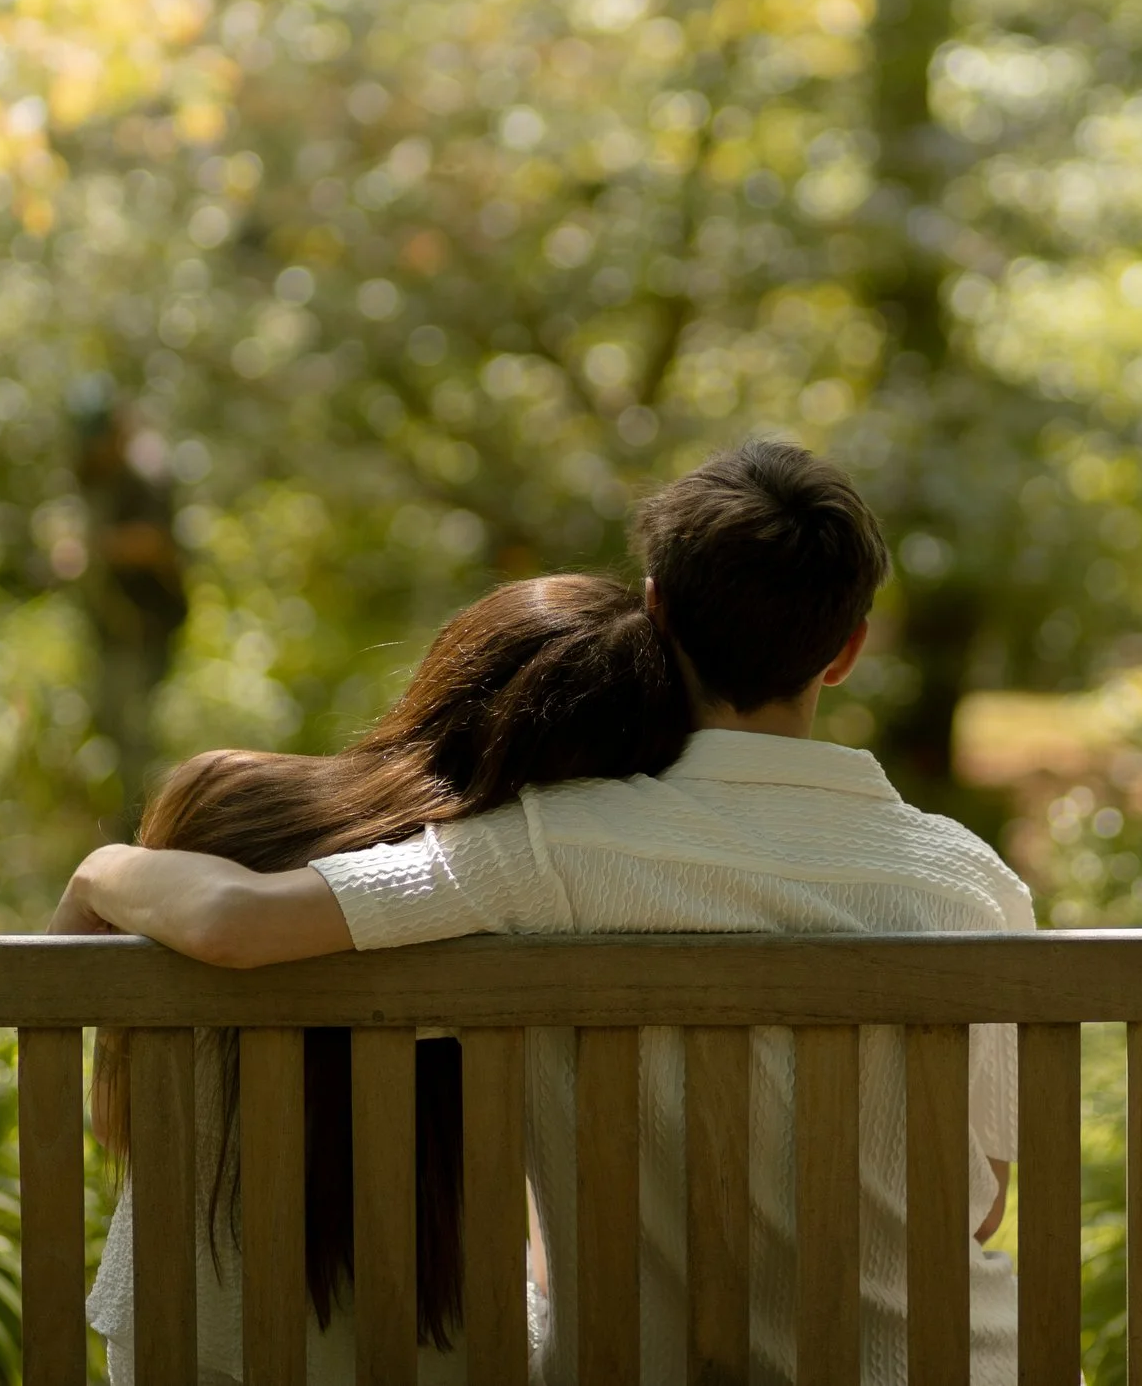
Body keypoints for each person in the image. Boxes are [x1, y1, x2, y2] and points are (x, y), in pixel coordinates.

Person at [57, 439, 1035, 1386]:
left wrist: (105, 864)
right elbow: (981, 1203)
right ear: (847, 649)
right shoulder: (970, 882)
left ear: (656, 612)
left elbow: (239, 923)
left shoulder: (554, 848)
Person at [64, 573, 693, 1384]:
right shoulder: (561, 894)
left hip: (190, 1343)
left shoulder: (221, 803)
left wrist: (96, 871)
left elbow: (116, 1121)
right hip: (449, 1353)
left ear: (449, 675)